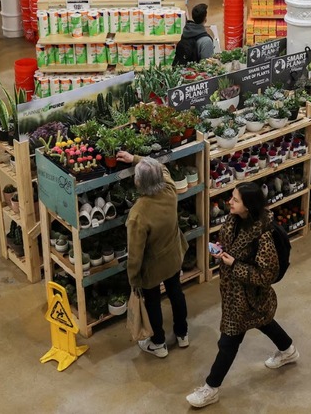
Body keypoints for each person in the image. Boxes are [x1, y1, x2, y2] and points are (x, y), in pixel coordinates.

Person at [186, 183, 297, 409]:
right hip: (236, 292)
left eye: (235, 200)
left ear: (249, 206)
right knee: (263, 321)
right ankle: (288, 350)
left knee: (229, 341)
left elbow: (266, 274)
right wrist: (221, 249)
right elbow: (231, 244)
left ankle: (211, 388)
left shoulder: (264, 235)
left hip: (246, 296)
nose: (230, 202)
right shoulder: (233, 219)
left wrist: (235, 264)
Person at [119, 152, 188, 358]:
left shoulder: (138, 214)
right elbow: (161, 167)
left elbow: (135, 253)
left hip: (152, 267)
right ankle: (182, 333)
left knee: (152, 302)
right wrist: (134, 158)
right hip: (174, 256)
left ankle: (158, 343)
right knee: (176, 293)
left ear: (138, 182)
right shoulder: (169, 190)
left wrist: (134, 278)